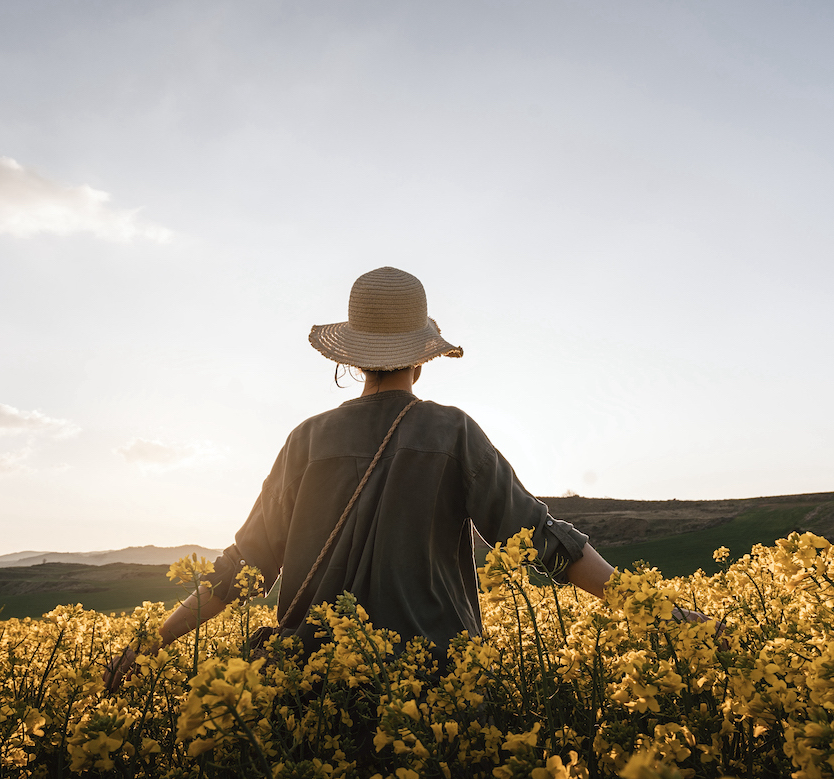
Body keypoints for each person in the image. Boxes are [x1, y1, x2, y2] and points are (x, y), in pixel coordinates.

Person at [106, 267, 631, 690]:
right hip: (435, 692)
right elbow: (542, 538)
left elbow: (238, 570)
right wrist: (652, 609)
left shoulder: (306, 441)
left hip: (311, 691)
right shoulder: (453, 433)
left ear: (354, 360)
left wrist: (148, 645)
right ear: (422, 358)